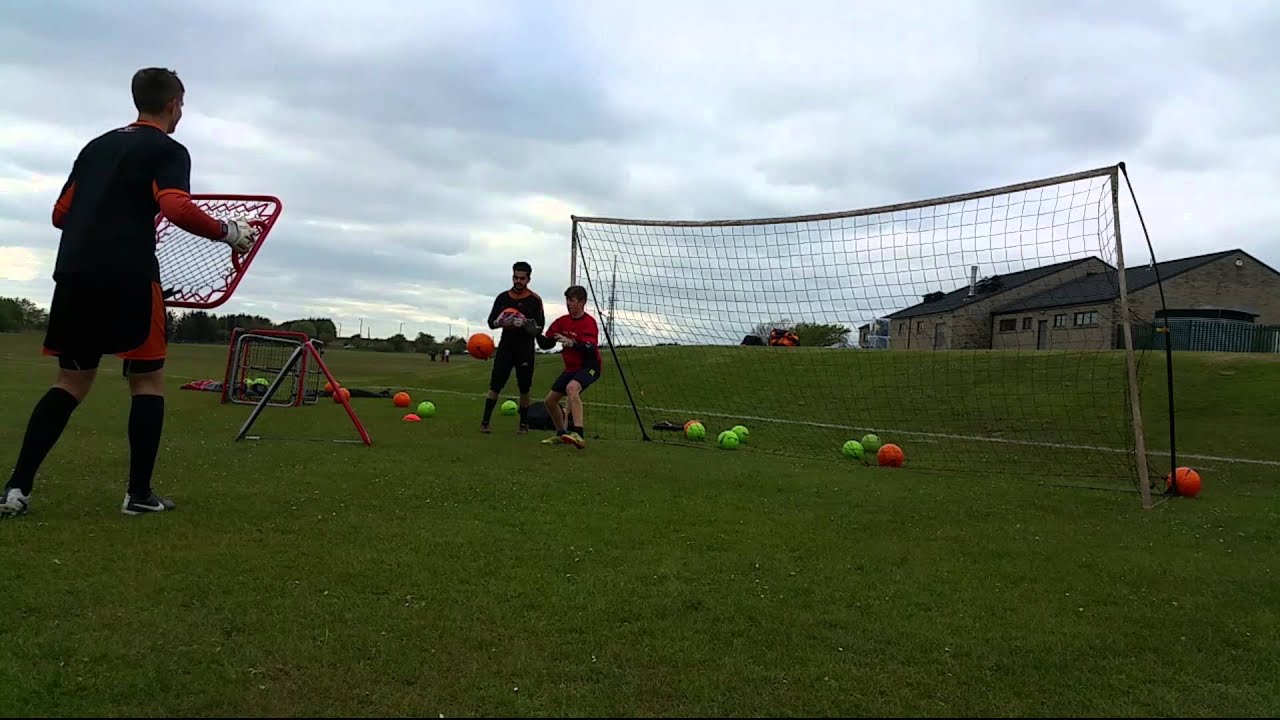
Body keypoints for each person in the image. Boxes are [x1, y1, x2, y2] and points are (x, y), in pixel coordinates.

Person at [0, 67, 259, 518]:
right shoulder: (168, 149)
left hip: (75, 273)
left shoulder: (95, 147)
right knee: (147, 380)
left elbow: (60, 215)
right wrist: (228, 231)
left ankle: (15, 490)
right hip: (130, 275)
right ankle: (138, 494)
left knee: (70, 382)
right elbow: (176, 206)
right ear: (173, 104)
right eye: (182, 105)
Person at [481, 261, 546, 433]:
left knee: (524, 387)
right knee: (495, 385)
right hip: (506, 347)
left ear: (528, 279)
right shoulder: (503, 298)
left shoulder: (534, 300)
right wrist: (501, 322)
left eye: (522, 278)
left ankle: (523, 425)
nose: (518, 281)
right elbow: (491, 323)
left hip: (525, 348)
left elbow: (540, 328)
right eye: (516, 277)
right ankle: (485, 422)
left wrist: (527, 325)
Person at [536, 285, 601, 449]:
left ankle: (578, 434)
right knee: (550, 401)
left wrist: (573, 343)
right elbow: (547, 344)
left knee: (572, 388)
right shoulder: (562, 321)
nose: (568, 304)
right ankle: (561, 434)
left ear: (582, 302)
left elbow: (590, 348)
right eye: (567, 300)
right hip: (571, 369)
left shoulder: (589, 323)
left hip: (589, 366)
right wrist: (535, 333)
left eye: (572, 300)